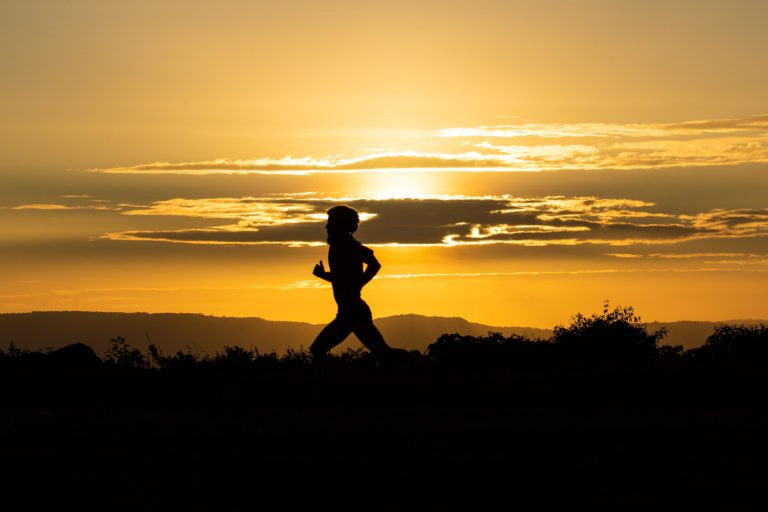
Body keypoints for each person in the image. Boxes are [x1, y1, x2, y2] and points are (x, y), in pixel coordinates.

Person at [310, 205, 411, 367]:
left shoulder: (345, 244)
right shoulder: (341, 245)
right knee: (383, 353)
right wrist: (327, 276)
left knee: (318, 349)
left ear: (340, 224)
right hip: (351, 311)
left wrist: (358, 284)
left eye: (330, 222)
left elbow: (372, 265)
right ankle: (421, 367)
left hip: (351, 312)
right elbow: (345, 278)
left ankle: (322, 388)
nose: (326, 226)